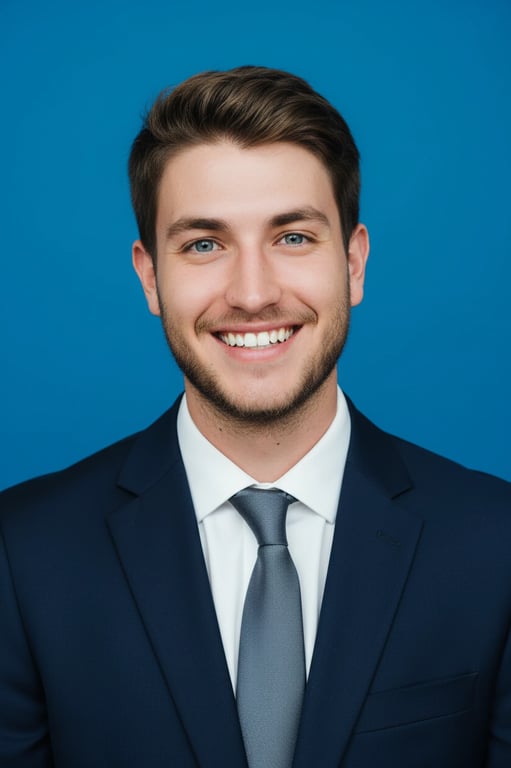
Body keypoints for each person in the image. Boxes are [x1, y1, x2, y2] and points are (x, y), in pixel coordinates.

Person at [1, 66, 510, 768]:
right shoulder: (21, 555)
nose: (251, 293)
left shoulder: (495, 543)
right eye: (204, 244)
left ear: (354, 263)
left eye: (292, 237)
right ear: (150, 277)